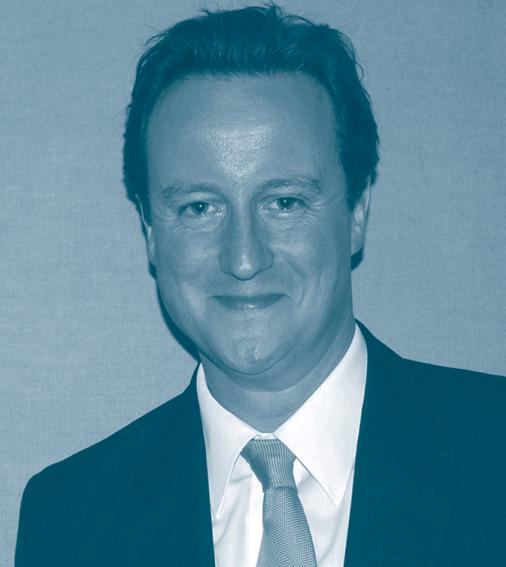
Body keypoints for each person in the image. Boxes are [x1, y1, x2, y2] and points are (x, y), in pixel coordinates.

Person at [15, 5, 505, 566]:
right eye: (200, 207)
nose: (244, 258)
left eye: (284, 202)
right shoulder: (69, 519)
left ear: (356, 211)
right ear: (151, 230)